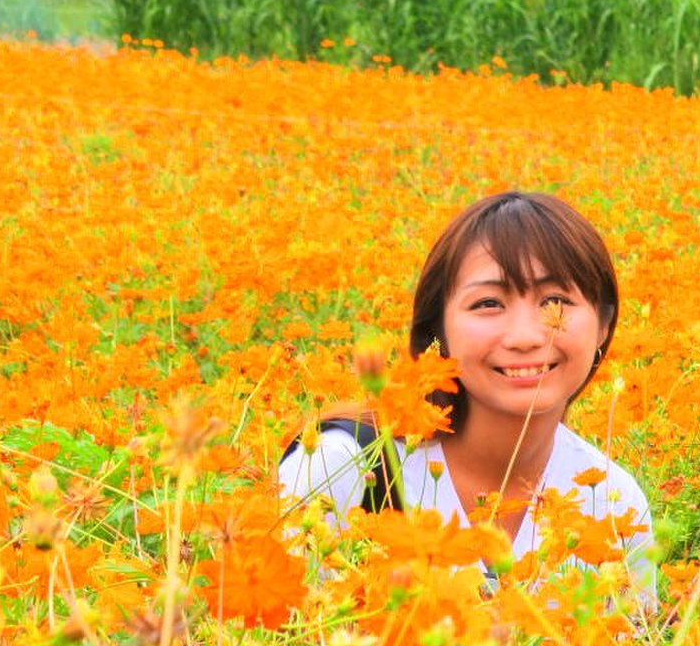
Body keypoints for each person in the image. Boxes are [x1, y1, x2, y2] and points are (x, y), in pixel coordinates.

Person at [279, 190, 656, 609]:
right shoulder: (341, 468)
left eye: (556, 302)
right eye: (488, 303)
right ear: (437, 332)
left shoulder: (612, 500)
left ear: (604, 326)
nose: (527, 337)